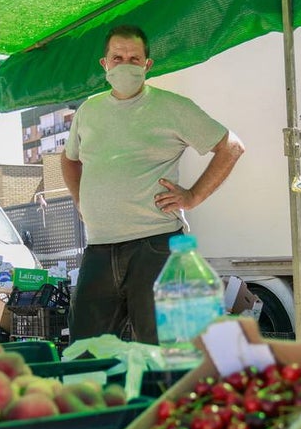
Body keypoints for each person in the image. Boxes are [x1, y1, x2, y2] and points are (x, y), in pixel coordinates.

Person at [61, 24, 245, 344]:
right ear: (105, 64)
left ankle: (168, 396)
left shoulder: (172, 107)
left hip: (156, 245)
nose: (126, 64)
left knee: (165, 348)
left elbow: (231, 147)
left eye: (135, 58)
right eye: (117, 57)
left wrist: (194, 196)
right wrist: (81, 201)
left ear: (147, 65)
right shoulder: (89, 111)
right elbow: (69, 159)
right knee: (87, 349)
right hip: (99, 248)